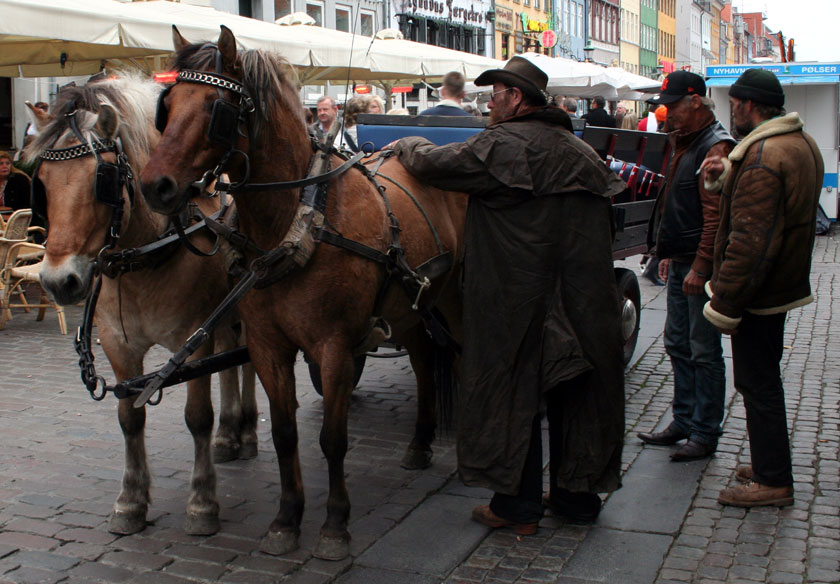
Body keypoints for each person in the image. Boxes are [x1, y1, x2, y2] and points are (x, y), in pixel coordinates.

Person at [389, 56, 626, 532]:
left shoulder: (502, 146)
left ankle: (516, 508)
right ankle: (576, 500)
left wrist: (408, 141)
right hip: (583, 299)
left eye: (494, 95)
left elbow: (436, 165)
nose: (489, 103)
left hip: (515, 297)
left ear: (516, 98)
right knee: (579, 393)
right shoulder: (582, 152)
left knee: (508, 391)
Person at [702, 69, 823, 507]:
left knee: (758, 384)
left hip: (759, 293)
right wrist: (726, 172)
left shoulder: (763, 156)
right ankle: (768, 463)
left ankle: (773, 479)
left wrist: (725, 305)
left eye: (733, 104)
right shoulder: (798, 144)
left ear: (749, 105)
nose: (730, 112)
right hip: (780, 287)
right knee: (762, 381)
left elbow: (749, 243)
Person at [637, 70, 735, 462]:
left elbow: (714, 218)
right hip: (681, 261)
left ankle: (705, 430)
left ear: (696, 101)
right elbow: (673, 205)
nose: (667, 113)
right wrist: (665, 253)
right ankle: (683, 420)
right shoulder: (685, 141)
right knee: (678, 344)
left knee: (702, 349)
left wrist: (700, 265)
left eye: (674, 105)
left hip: (698, 267)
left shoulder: (715, 148)